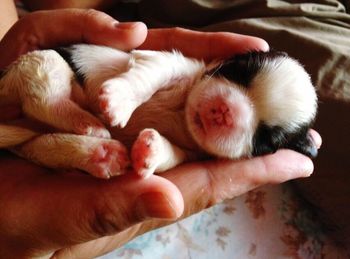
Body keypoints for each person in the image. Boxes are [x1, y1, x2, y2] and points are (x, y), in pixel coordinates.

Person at [0, 1, 321, 258]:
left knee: (60, 150)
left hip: (32, 147)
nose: (229, 112)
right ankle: (71, 122)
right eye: (237, 78)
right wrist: (129, 90)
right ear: (220, 63)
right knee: (44, 70)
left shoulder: (193, 153)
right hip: (62, 74)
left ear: (263, 150)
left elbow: (172, 157)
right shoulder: (185, 69)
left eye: (259, 132)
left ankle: (63, 140)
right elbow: (151, 67)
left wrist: (156, 154)